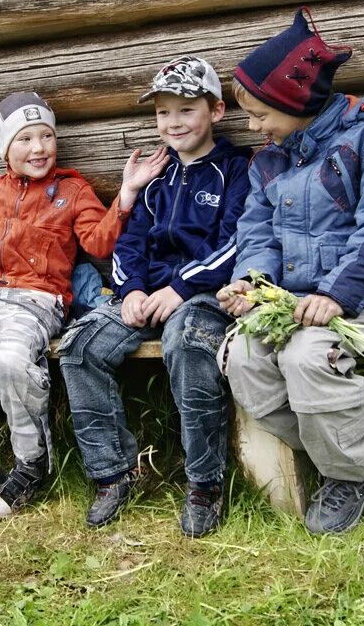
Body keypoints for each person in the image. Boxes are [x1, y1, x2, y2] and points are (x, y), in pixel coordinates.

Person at [0, 91, 168, 529]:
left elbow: (100, 242)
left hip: (34, 300)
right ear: (5, 147)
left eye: (46, 135)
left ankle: (31, 463)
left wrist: (125, 194)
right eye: (25, 138)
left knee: (9, 362)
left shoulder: (72, 189)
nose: (40, 147)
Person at [216, 8, 364, 535]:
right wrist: (252, 284)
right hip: (289, 301)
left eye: (261, 115)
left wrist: (338, 295)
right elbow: (256, 231)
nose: (253, 127)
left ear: (296, 101)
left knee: (310, 357)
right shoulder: (271, 160)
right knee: (242, 358)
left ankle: (350, 475)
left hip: (358, 297)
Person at [59, 56, 251, 537]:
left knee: (186, 345)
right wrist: (132, 291)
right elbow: (129, 242)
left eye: (187, 109)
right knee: (80, 347)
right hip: (147, 293)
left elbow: (235, 242)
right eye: (164, 112)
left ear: (217, 111)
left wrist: (180, 287)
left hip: (204, 294)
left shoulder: (237, 169)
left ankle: (204, 483)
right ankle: (112, 472)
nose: (174, 121)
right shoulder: (156, 177)